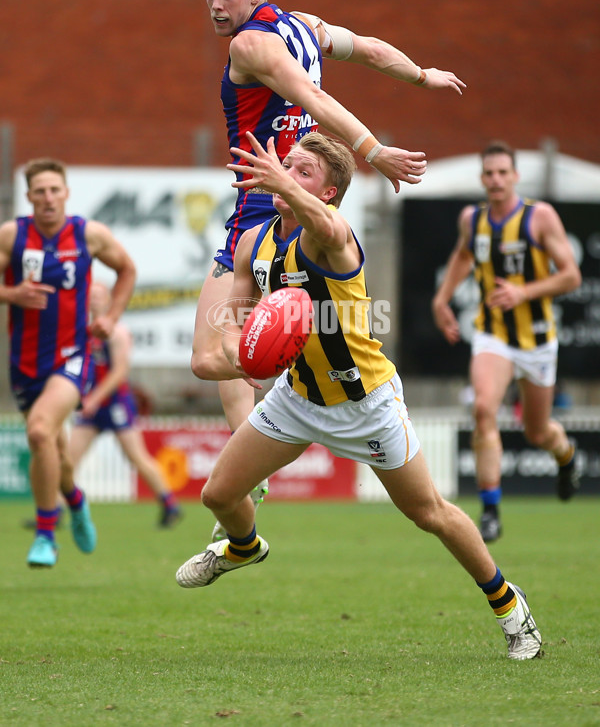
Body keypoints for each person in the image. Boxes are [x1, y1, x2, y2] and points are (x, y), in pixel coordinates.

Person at [176, 131, 543, 661]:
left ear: (327, 194)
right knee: (217, 495)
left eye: (304, 172)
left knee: (430, 513)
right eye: (288, 164)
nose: (287, 173)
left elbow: (326, 223)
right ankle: (243, 547)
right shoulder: (252, 241)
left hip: (365, 404)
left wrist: (282, 180)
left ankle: (510, 606)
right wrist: (246, 354)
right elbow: (232, 324)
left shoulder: (332, 234)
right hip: (296, 399)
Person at [191, 0, 466, 434]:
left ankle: (302, 371)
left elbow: (313, 99)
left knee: (210, 357)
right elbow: (372, 50)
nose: (214, 6)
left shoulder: (250, 43)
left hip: (264, 211)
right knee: (241, 350)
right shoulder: (306, 27)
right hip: (310, 205)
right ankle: (251, 472)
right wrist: (422, 75)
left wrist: (374, 151)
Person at [431, 141, 582, 542]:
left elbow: (571, 276)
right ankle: (491, 509)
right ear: (482, 179)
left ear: (515, 176)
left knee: (537, 432)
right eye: (489, 173)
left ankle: (566, 457)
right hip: (492, 333)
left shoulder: (540, 217)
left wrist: (523, 292)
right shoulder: (472, 220)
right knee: (484, 409)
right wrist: (442, 298)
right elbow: (463, 256)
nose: (496, 180)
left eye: (503, 172)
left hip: (535, 339)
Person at [0, 157, 136, 568]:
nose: (47, 198)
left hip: (72, 357)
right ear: (28, 198)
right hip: (24, 363)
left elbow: (127, 269)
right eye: (39, 191)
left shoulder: (88, 234)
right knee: (54, 450)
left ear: (66, 193)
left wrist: (110, 317)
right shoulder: (11, 236)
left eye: (54, 190)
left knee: (39, 432)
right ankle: (76, 500)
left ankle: (46, 535)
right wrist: (12, 295)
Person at [65, 281, 182, 529]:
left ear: (108, 300)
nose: (95, 300)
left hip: (115, 404)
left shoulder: (117, 331)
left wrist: (93, 399)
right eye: (91, 295)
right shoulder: (85, 332)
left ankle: (170, 503)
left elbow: (119, 372)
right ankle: (51, 513)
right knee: (68, 459)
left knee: (137, 458)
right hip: (91, 407)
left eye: (99, 296)